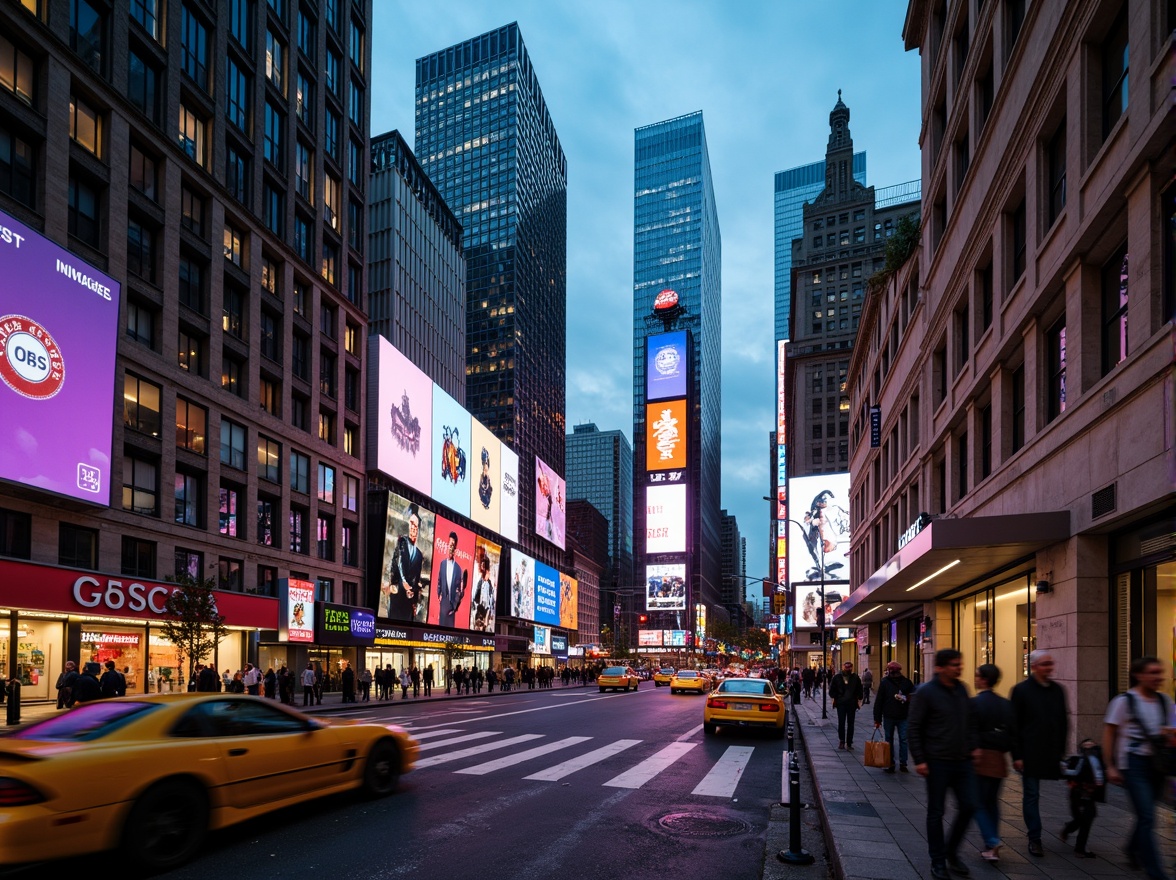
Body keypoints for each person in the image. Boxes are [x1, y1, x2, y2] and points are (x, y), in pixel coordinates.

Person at [907, 648, 975, 880]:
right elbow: (913, 727)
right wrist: (920, 759)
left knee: (969, 806)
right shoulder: (926, 692)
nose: (959, 668)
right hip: (937, 762)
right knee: (936, 811)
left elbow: (969, 720)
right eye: (954, 665)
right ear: (940, 667)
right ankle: (938, 860)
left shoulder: (962, 690)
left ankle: (952, 852)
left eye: (959, 664)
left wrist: (972, 745)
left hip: (962, 760)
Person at [1103, 656, 1172, 880]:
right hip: (1133, 764)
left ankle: (1132, 848)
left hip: (1157, 765)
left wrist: (1167, 734)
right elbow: (1109, 734)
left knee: (1146, 814)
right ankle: (1156, 871)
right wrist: (1110, 766)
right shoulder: (1124, 702)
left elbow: (1172, 733)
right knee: (1147, 817)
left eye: (1159, 672)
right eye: (1152, 672)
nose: (1158, 677)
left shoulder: (1165, 701)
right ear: (1139, 675)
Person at [1010, 649, 1068, 858]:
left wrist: (1061, 752)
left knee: (1074, 792)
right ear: (1033, 667)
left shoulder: (1058, 690)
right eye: (1044, 664)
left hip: (1051, 752)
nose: (1049, 668)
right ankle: (1035, 838)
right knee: (1032, 795)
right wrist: (1016, 755)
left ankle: (1071, 827)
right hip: (1030, 753)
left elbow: (1063, 722)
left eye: (1050, 664)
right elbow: (1014, 726)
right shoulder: (1021, 690)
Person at [972, 663, 1015, 862]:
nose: (975, 678)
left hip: (980, 758)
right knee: (992, 802)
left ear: (984, 679)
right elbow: (1011, 733)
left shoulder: (975, 704)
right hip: (998, 758)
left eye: (977, 675)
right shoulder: (1005, 704)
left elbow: (969, 732)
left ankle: (992, 840)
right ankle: (992, 843)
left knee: (978, 802)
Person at [1061, 736, 1105, 859]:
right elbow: (1067, 769)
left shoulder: (1098, 759)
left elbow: (1101, 775)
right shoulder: (1077, 759)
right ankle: (1069, 830)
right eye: (1086, 745)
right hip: (1077, 793)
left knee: (1088, 817)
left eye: (1092, 745)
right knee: (1081, 818)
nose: (1089, 747)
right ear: (1081, 748)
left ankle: (1080, 847)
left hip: (1090, 794)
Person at [382, 505, 425, 621]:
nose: (413, 528)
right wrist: (399, 583)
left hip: (407, 605)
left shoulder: (419, 555)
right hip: (396, 599)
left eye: (415, 525)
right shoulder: (401, 542)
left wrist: (414, 596)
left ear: (418, 529)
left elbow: (416, 580)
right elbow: (396, 564)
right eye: (411, 523)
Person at [873, 660, 916, 773]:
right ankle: (890, 762)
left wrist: (906, 698)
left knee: (902, 739)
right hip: (889, 715)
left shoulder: (906, 683)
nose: (892, 672)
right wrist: (877, 718)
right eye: (891, 670)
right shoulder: (885, 683)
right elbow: (879, 701)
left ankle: (902, 763)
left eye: (893, 670)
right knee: (890, 740)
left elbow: (913, 697)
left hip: (902, 715)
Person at [829, 660, 863, 751]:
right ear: (843, 667)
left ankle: (849, 742)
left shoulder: (855, 678)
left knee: (851, 723)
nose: (848, 669)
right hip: (841, 704)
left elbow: (860, 689)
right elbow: (831, 690)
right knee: (841, 722)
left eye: (849, 667)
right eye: (846, 667)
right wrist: (837, 697)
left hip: (851, 704)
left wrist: (859, 697)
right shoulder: (837, 677)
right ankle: (842, 741)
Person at [437, 531, 467, 628]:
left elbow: (460, 590)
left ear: (455, 549)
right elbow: (439, 582)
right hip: (443, 607)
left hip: (451, 609)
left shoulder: (458, 569)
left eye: (453, 545)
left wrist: (454, 607)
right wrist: (439, 595)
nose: (450, 547)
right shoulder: (442, 564)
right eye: (449, 544)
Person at [471, 548, 496, 632]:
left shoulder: (489, 583)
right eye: (481, 564)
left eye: (484, 565)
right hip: (477, 611)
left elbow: (491, 601)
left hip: (485, 612)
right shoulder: (478, 580)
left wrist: (490, 615)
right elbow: (474, 597)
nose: (482, 566)